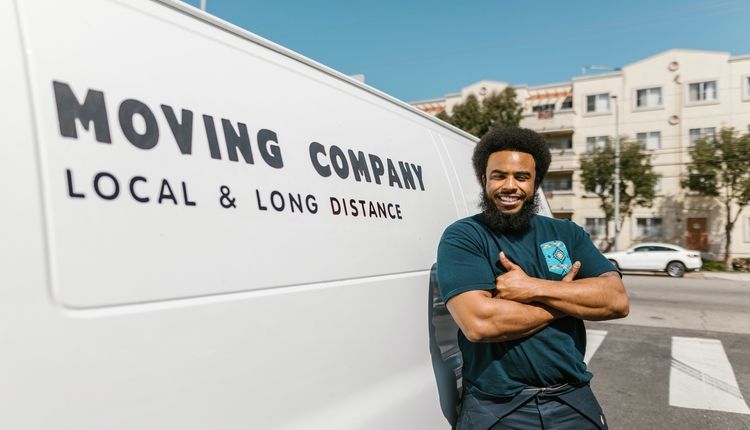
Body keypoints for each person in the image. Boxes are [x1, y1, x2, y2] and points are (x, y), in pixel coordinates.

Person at [436, 127, 629, 430]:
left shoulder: (567, 234)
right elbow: (480, 322)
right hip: (496, 406)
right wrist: (566, 298)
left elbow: (616, 299)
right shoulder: (464, 236)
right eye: (499, 176)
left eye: (521, 177)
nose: (509, 186)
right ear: (484, 180)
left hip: (572, 399)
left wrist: (531, 288)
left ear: (536, 183)